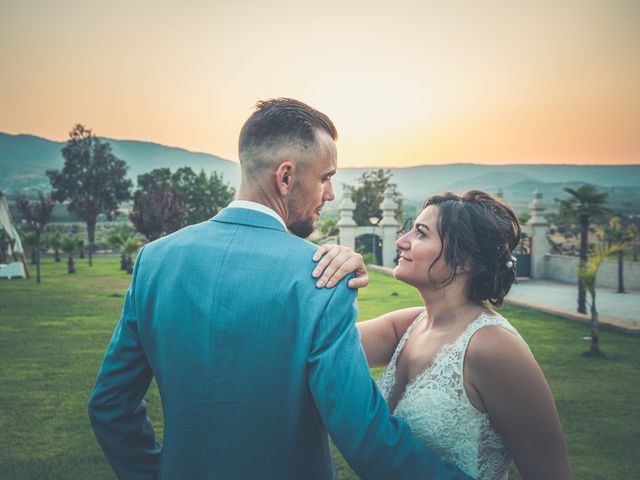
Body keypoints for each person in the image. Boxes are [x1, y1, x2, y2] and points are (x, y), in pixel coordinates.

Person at [88, 98, 472, 479]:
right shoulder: (321, 280)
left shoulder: (154, 261)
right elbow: (365, 436)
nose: (331, 193)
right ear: (286, 177)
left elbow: (110, 407)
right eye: (325, 177)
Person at [314, 190, 573, 479]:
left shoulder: (494, 348)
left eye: (421, 234)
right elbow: (318, 348)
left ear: (464, 260)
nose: (401, 241)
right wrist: (340, 268)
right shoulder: (407, 325)